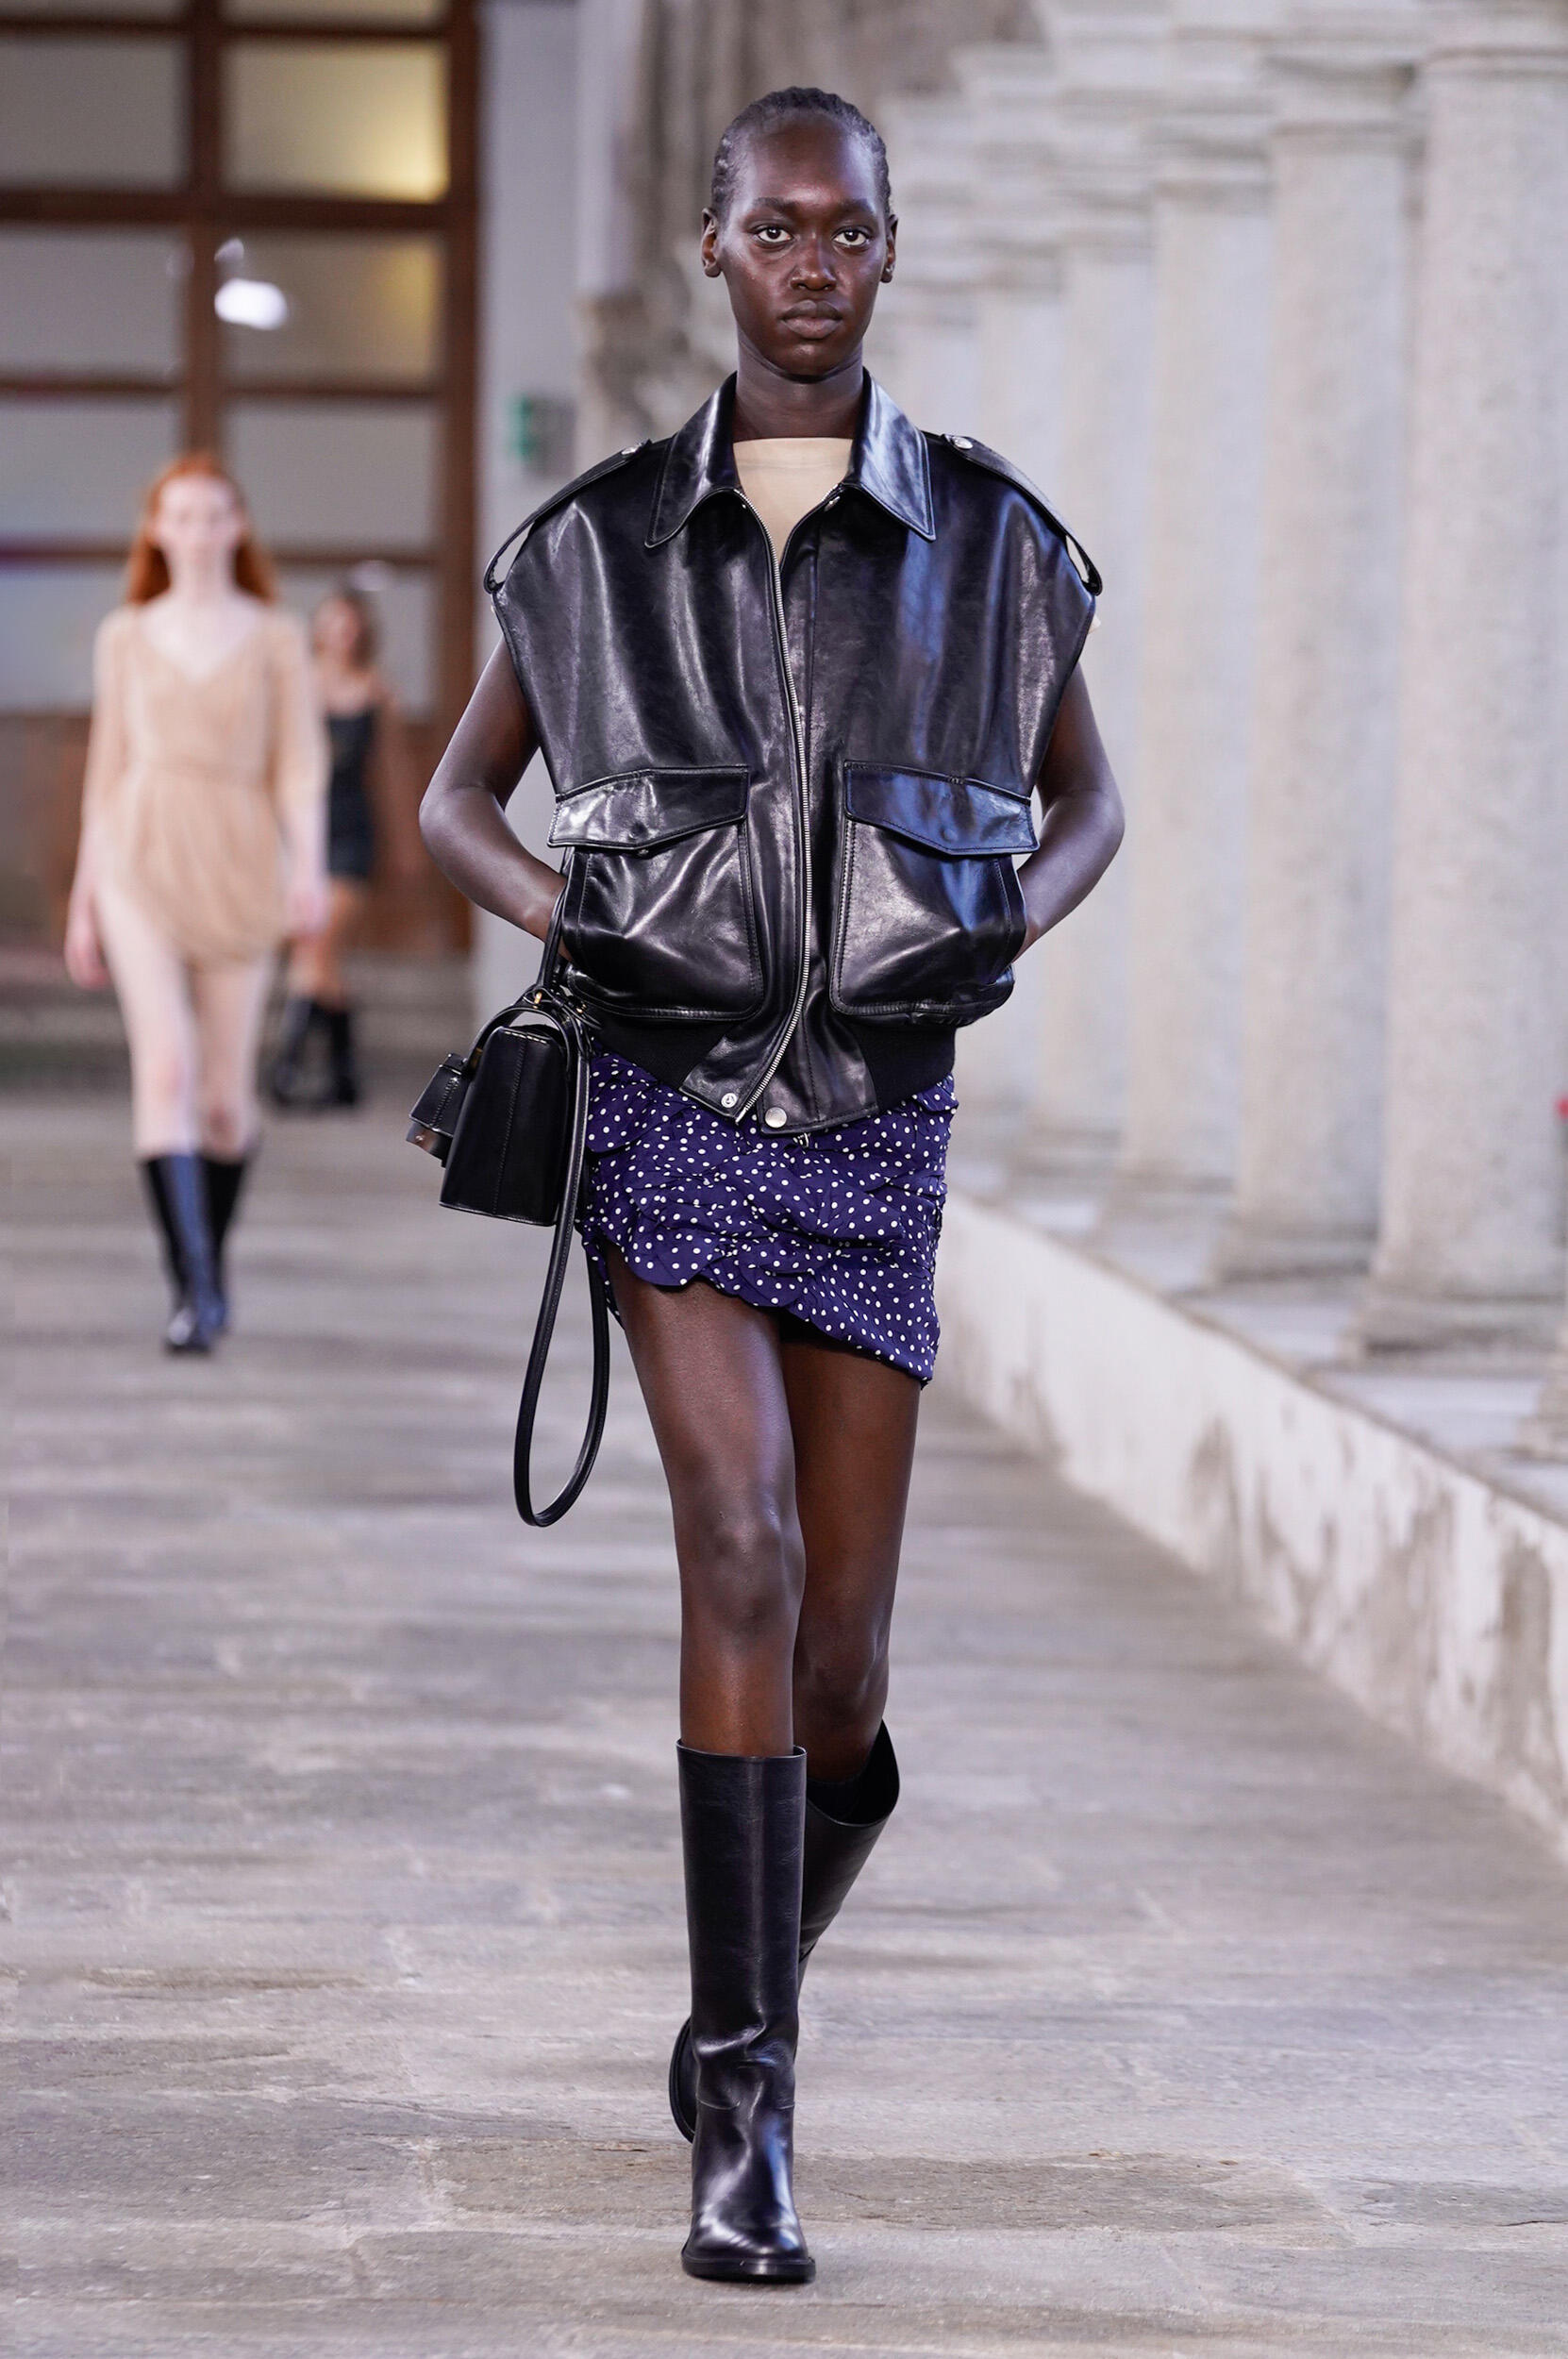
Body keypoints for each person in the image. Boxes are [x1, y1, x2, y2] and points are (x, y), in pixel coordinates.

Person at [419, 88, 1124, 2284]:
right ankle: (749, 2107)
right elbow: (455, 799)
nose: (813, 262)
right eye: (777, 227)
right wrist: (585, 920)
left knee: (841, 1664)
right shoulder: (597, 545)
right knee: (738, 1544)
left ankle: (751, 1981)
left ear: (887, 251)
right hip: (670, 1099)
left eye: (847, 229)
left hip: (877, 1121)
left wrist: (999, 932)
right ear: (715, 250)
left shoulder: (991, 541)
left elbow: (1090, 804)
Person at [64, 454, 328, 1353]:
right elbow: (106, 772)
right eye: (179, 515)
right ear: (156, 529)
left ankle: (208, 1267)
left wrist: (309, 868)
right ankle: (195, 1294)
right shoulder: (125, 635)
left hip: (241, 854)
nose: (198, 531)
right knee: (167, 1070)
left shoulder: (277, 635)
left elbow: (300, 765)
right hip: (140, 852)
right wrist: (84, 899)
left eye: (214, 514)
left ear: (238, 526)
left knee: (222, 1100)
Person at [268, 585, 419, 1110]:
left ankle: (286, 1068)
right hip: (302, 830)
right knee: (317, 955)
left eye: (351, 626)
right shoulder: (295, 686)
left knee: (319, 941)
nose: (341, 635)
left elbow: (393, 774)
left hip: (353, 831)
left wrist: (408, 843)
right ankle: (343, 1076)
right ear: (318, 628)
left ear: (363, 633)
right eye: (333, 623)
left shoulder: (377, 692)